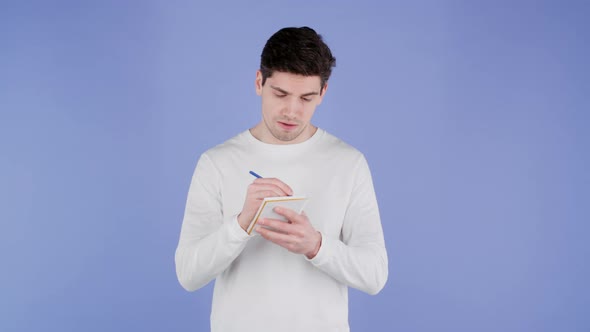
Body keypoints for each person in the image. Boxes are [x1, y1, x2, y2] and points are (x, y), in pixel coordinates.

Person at [175, 26, 388, 332]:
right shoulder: (217, 162)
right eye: (281, 94)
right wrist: (241, 223)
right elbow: (188, 274)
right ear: (259, 82)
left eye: (306, 98)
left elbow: (375, 275)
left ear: (323, 94)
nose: (292, 111)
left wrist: (316, 245)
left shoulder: (348, 163)